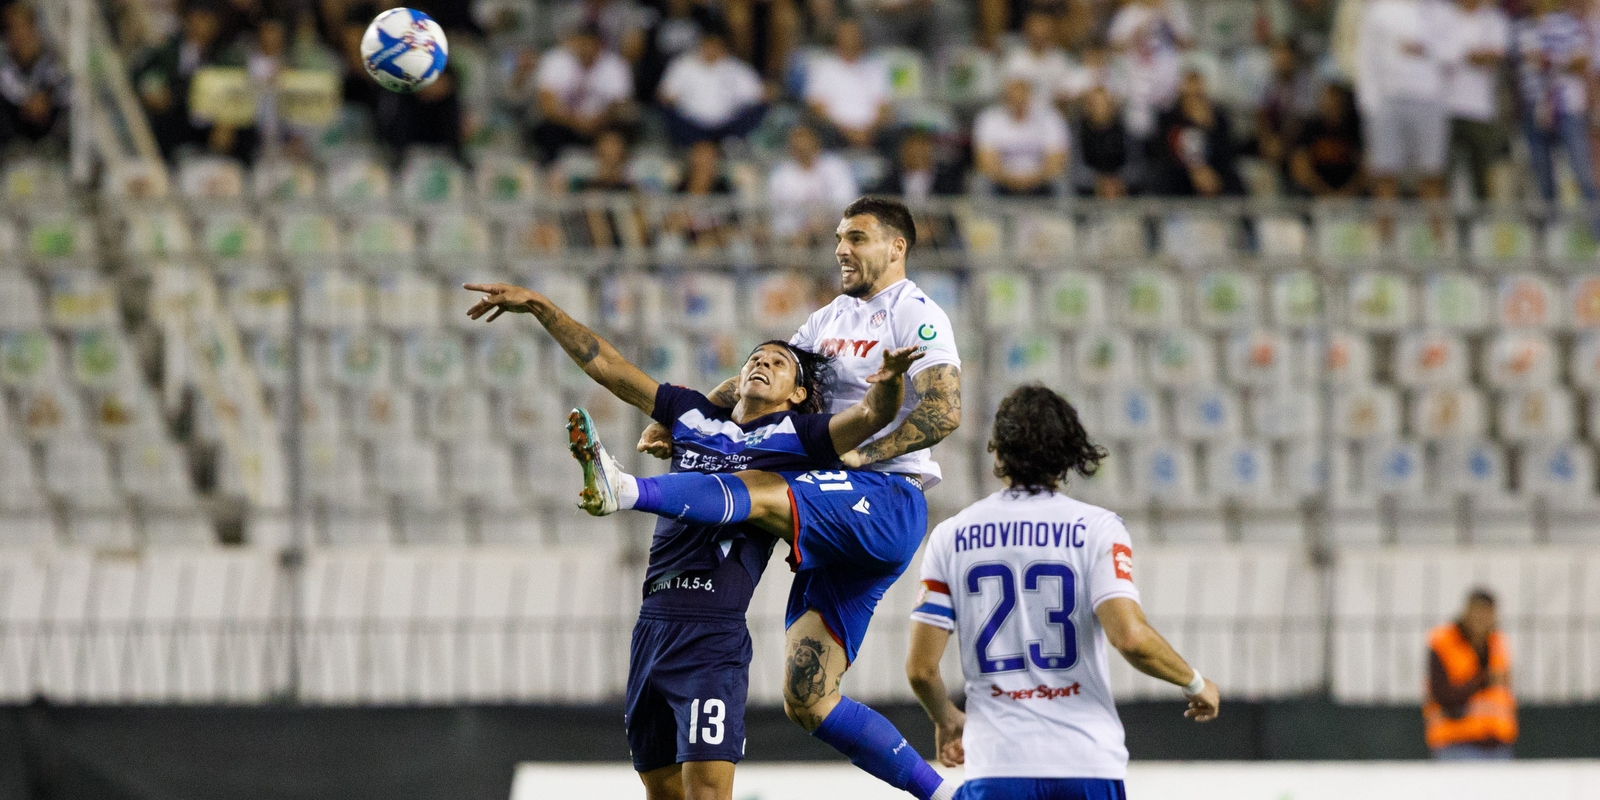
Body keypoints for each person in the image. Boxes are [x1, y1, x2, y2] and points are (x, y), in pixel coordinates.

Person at [460, 285, 923, 800]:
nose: (762, 364)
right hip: (652, 626)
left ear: (797, 393)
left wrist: (891, 381)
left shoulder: (800, 437)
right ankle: (624, 489)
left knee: (706, 793)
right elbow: (607, 365)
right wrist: (541, 307)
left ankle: (626, 490)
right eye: (755, 357)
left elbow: (869, 418)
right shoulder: (694, 416)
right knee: (663, 793)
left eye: (779, 362)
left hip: (712, 634)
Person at [630, 196, 966, 800]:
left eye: (858, 238)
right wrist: (694, 421)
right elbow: (760, 376)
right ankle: (944, 795)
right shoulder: (827, 319)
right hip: (833, 511)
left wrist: (862, 455)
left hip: (883, 498)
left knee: (759, 488)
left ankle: (627, 493)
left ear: (897, 247)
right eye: (839, 236)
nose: (842, 248)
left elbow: (945, 408)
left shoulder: (916, 314)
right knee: (808, 698)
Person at [905, 384, 1222, 799]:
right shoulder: (1097, 529)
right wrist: (1196, 683)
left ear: (998, 453)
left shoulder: (950, 536)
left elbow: (921, 670)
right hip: (1084, 759)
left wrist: (945, 718)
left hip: (998, 763)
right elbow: (1130, 638)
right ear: (1070, 453)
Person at [1354, 0, 1451, 206]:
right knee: (1385, 175)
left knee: (1432, 174)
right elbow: (1366, 58)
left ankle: (1438, 237)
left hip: (1429, 99)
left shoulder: (1440, 11)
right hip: (1389, 99)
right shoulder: (1379, 11)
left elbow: (1454, 51)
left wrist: (1426, 49)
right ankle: (1385, 238)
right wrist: (1369, 105)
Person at [1514, 0, 1599, 207]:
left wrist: (1551, 61)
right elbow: (1525, 64)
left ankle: (1596, 231)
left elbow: (1581, 62)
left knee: (1583, 174)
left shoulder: (1567, 22)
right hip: (1535, 108)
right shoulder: (1521, 28)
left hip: (1568, 108)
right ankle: (1550, 235)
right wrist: (1561, 61)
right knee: (1542, 180)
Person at [1425, 588, 1517, 760]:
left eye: (1487, 612)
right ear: (1466, 611)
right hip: (1456, 743)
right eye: (1477, 611)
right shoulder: (1443, 642)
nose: (1481, 618)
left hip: (1498, 744)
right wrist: (1482, 682)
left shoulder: (1498, 642)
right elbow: (1442, 695)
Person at [530, 23, 635, 162]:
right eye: (581, 43)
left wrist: (598, 119)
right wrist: (575, 121)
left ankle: (611, 177)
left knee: (620, 130)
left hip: (602, 124)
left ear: (599, 45)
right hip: (565, 124)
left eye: (590, 44)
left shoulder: (615, 65)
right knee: (547, 129)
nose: (585, 49)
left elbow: (621, 105)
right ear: (574, 42)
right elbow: (547, 105)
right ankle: (551, 171)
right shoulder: (555, 60)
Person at [658, 22, 766, 147]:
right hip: (690, 126)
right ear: (701, 45)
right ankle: (687, 145)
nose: (711, 49)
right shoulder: (683, 64)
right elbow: (664, 96)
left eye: (716, 46)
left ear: (724, 47)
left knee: (759, 109)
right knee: (666, 111)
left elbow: (759, 95)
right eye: (708, 45)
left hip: (728, 127)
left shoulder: (737, 68)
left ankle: (731, 145)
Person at [1443, 0, 1509, 202]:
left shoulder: (1493, 19)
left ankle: (1484, 226)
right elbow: (1442, 55)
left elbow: (1497, 55)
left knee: (1482, 174)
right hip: (1446, 107)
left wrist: (1464, 55)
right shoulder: (1444, 16)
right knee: (1445, 173)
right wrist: (1474, 55)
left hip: (1481, 109)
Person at [1149, 70, 1243, 197]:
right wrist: (1193, 171)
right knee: (1162, 180)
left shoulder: (1218, 118)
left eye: (1197, 94)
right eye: (1189, 94)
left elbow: (1228, 154)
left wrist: (1209, 128)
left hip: (1213, 170)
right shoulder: (1168, 119)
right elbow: (1162, 154)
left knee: (1234, 182)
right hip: (1179, 173)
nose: (1193, 98)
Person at [974, 75, 1071, 197]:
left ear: (1029, 96)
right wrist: (1010, 179)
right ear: (1005, 97)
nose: (1018, 101)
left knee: (1060, 181)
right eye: (1013, 97)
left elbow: (1057, 161)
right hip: (1002, 181)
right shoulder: (989, 118)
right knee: (981, 181)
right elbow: (985, 162)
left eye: (1021, 96)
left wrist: (1033, 179)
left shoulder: (1050, 117)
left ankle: (1061, 215)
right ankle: (983, 216)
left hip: (1041, 180)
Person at [803, 18, 892, 150]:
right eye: (845, 35)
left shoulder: (876, 67)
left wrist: (868, 131)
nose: (850, 39)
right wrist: (847, 132)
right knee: (820, 130)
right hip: (835, 132)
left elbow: (884, 108)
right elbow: (816, 107)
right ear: (836, 38)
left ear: (861, 38)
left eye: (854, 34)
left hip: (871, 134)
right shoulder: (823, 67)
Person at [767, 125, 859, 244]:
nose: (802, 147)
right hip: (794, 234)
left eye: (806, 143)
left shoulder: (835, 167)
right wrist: (800, 230)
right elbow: (779, 212)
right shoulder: (780, 176)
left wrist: (824, 220)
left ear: (816, 143)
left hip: (833, 227)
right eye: (797, 145)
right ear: (790, 147)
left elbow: (846, 201)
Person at [0, 5, 68, 150]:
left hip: (56, 137)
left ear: (35, 29)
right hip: (16, 140)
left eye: (23, 27)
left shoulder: (55, 56)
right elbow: (8, 83)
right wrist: (28, 100)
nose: (18, 35)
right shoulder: (5, 62)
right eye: (12, 29)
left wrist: (48, 96)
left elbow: (63, 80)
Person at [1290, 83, 1364, 197]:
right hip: (1315, 196)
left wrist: (1346, 194)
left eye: (1337, 104)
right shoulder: (1310, 128)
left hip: (1350, 197)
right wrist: (1325, 193)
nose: (1332, 109)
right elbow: (1299, 165)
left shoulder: (1355, 129)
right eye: (1328, 104)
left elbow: (1366, 168)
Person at [874, 129, 965, 204]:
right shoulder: (888, 185)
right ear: (902, 152)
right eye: (912, 148)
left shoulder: (949, 184)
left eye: (922, 147)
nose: (917, 153)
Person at [1078, 85, 1129, 198]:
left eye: (1102, 103)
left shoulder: (1124, 129)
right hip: (1088, 193)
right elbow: (1075, 169)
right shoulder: (1079, 130)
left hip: (1122, 190)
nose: (1098, 108)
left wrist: (1116, 181)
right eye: (1094, 104)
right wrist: (1099, 181)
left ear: (1110, 105)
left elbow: (1136, 166)